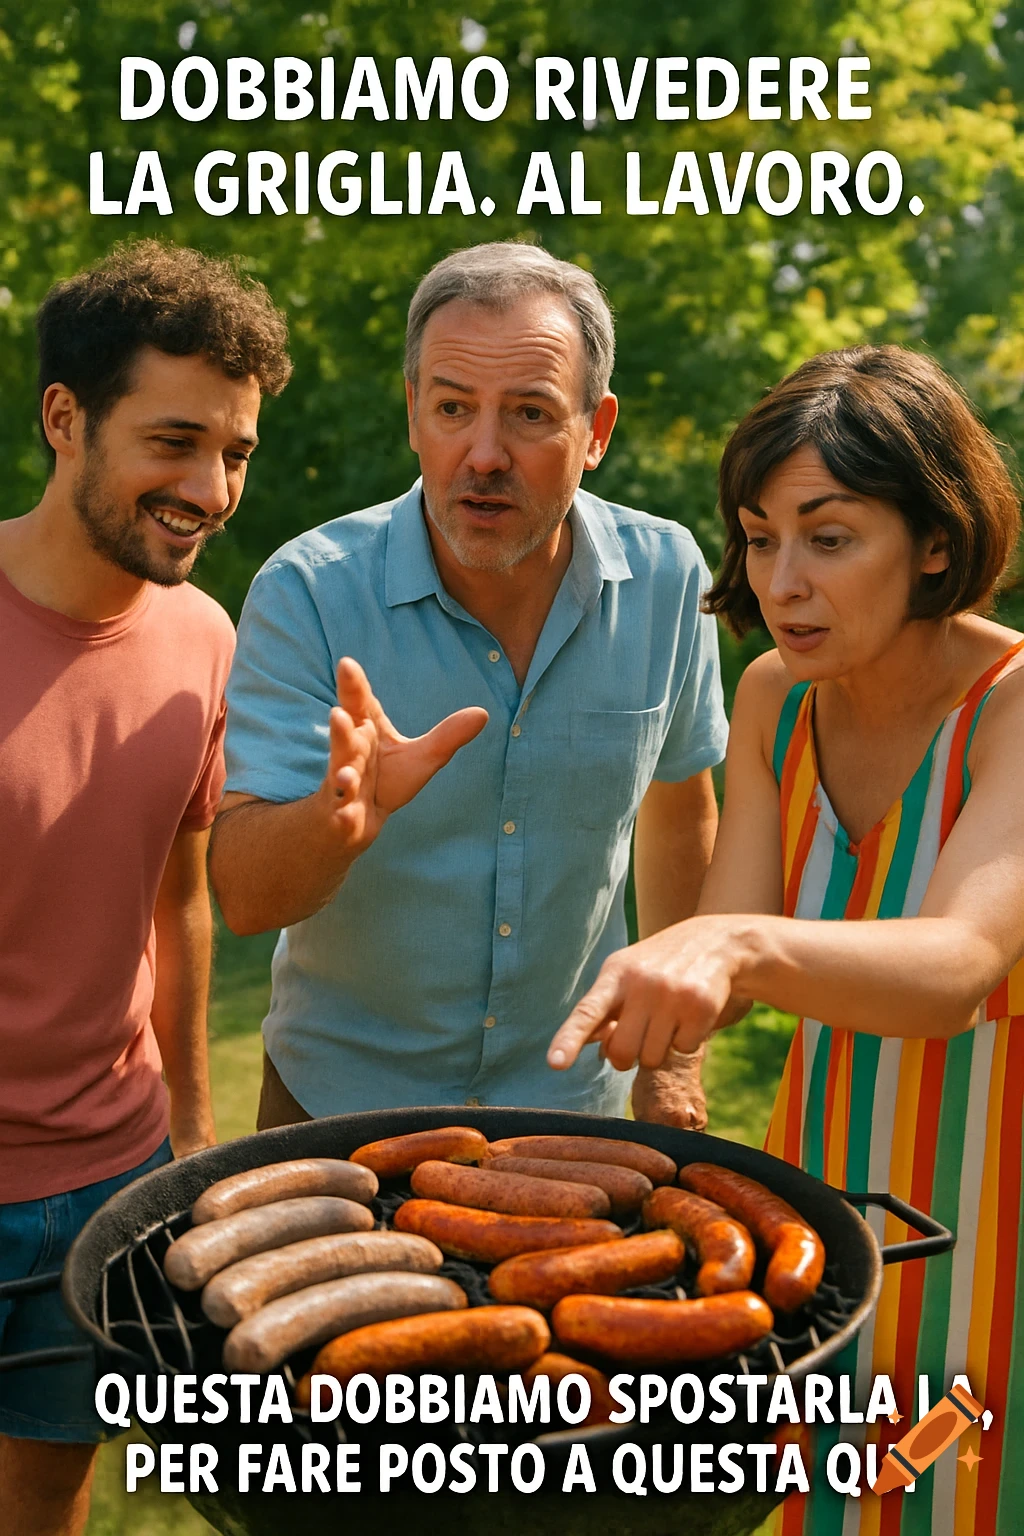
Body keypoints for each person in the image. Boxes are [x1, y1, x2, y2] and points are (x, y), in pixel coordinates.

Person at [548, 344, 1024, 1534]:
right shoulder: (773, 696)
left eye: (828, 535)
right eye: (760, 537)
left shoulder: (1014, 706)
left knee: (958, 1497)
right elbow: (734, 960)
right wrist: (660, 1013)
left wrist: (731, 948)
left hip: (995, 1231)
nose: (780, 581)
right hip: (824, 1210)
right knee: (834, 1504)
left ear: (933, 537)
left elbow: (957, 970)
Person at [210, 240, 727, 1131]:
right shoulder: (310, 591)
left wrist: (672, 1058)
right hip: (337, 1109)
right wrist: (337, 825)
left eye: (530, 414)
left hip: (572, 1106)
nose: (483, 454)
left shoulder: (669, 576)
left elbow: (681, 811)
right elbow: (249, 900)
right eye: (453, 408)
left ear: (596, 431)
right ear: (414, 413)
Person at [0, 241, 290, 1536]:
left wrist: (192, 1132)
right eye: (175, 441)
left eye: (234, 451)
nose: (210, 488)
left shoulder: (206, 640)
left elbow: (175, 897)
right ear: (63, 417)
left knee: (44, 1506)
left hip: (99, 1184)